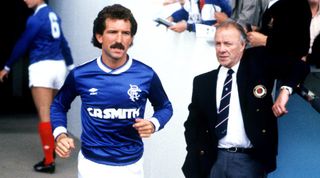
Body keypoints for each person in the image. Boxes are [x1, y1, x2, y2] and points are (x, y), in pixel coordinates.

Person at [50, 4, 173, 178]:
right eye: (113, 32)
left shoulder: (146, 74)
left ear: (131, 39)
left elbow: (165, 107)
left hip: (131, 166)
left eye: (126, 33)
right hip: (91, 166)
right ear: (99, 36)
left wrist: (154, 123)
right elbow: (58, 105)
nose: (120, 39)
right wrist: (60, 135)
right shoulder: (80, 75)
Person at [182, 21, 305, 178]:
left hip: (249, 162)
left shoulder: (258, 67)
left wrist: (284, 92)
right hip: (212, 160)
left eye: (228, 44)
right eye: (218, 44)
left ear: (242, 45)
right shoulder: (202, 82)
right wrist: (195, 151)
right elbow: (192, 124)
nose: (222, 49)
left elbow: (299, 66)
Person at [0, 0, 74, 174]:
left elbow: (23, 43)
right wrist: (71, 67)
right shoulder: (54, 15)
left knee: (44, 113)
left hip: (42, 67)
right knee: (55, 111)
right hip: (59, 67)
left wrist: (7, 66)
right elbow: (63, 42)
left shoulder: (35, 19)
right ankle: (56, 150)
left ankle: (49, 161)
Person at [167, 0, 232, 32]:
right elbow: (185, 12)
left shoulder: (217, 2)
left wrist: (188, 27)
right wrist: (172, 17)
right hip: (194, 43)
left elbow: (209, 28)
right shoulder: (192, 1)